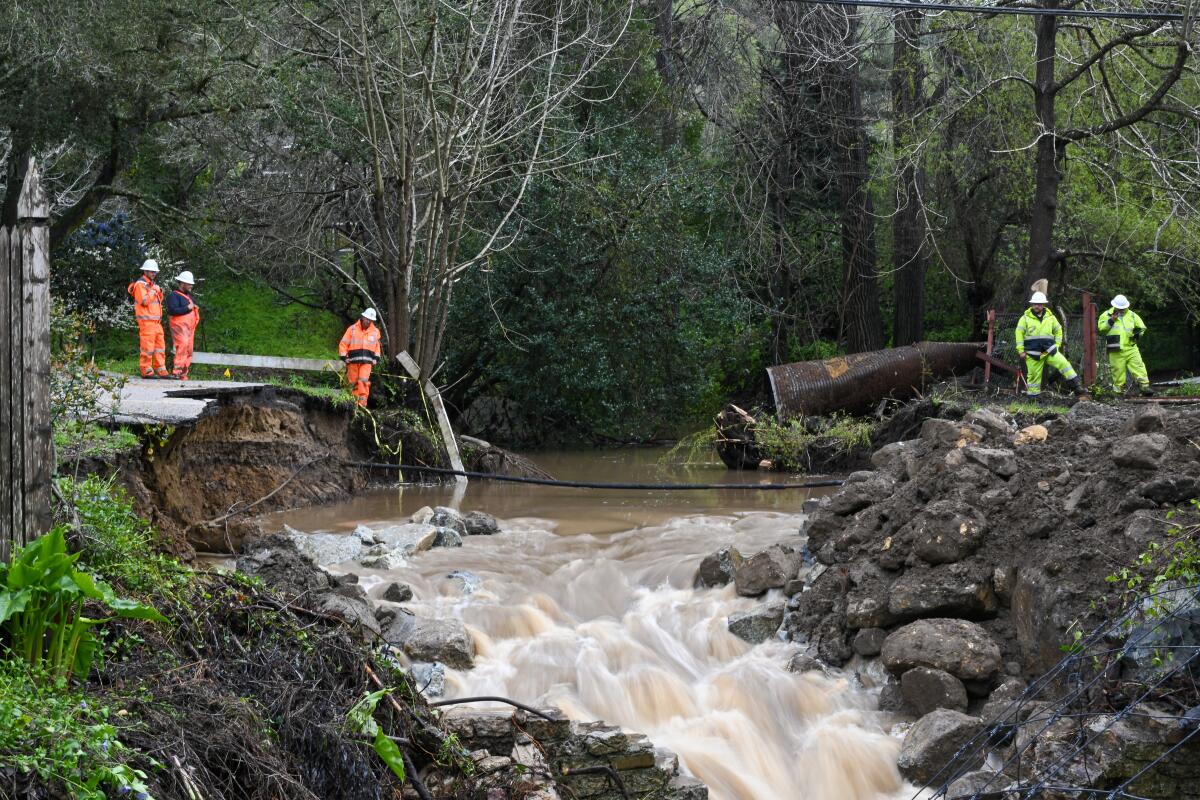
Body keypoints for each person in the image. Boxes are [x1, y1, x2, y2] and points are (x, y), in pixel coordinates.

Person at [1016, 291, 1084, 397]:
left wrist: (1056, 345)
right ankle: (1033, 399)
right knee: (1033, 376)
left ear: (1043, 304)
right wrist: (1021, 350)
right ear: (1032, 304)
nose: (1037, 306)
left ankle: (1077, 386)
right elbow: (1019, 334)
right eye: (1035, 304)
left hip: (1048, 350)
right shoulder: (1024, 319)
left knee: (1064, 364)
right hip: (1033, 353)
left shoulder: (1051, 318)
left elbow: (1058, 330)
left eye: (1039, 304)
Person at [126, 259, 174, 379]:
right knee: (147, 347)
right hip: (146, 322)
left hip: (156, 322)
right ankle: (146, 369)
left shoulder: (151, 286)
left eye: (155, 271)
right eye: (151, 271)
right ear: (145, 271)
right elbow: (145, 301)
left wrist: (157, 291)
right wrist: (154, 290)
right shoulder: (140, 285)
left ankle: (161, 369)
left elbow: (156, 301)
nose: (154, 273)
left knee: (159, 347)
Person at [1098, 294, 1153, 396]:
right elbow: (1102, 329)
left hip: (1131, 347)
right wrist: (1111, 320)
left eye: (1123, 308)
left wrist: (1137, 335)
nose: (1122, 310)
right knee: (1117, 371)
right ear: (1115, 306)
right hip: (1115, 349)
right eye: (1120, 308)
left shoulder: (1132, 315)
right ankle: (1118, 393)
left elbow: (1142, 328)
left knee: (1138, 366)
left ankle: (1144, 387)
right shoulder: (1106, 315)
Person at [338, 308, 382, 407]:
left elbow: (377, 346)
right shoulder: (352, 329)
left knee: (363, 382)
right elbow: (343, 344)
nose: (368, 321)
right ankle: (353, 405)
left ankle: (362, 406)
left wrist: (376, 358)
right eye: (367, 319)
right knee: (353, 383)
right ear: (363, 317)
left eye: (370, 320)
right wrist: (344, 357)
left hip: (367, 363)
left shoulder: (375, 332)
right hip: (352, 362)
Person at [167, 270, 201, 380]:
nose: (191, 286)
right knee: (182, 346)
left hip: (189, 329)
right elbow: (172, 310)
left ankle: (183, 373)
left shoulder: (188, 297)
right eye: (189, 284)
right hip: (179, 327)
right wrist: (188, 308)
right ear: (182, 283)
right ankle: (176, 372)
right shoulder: (173, 296)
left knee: (189, 350)